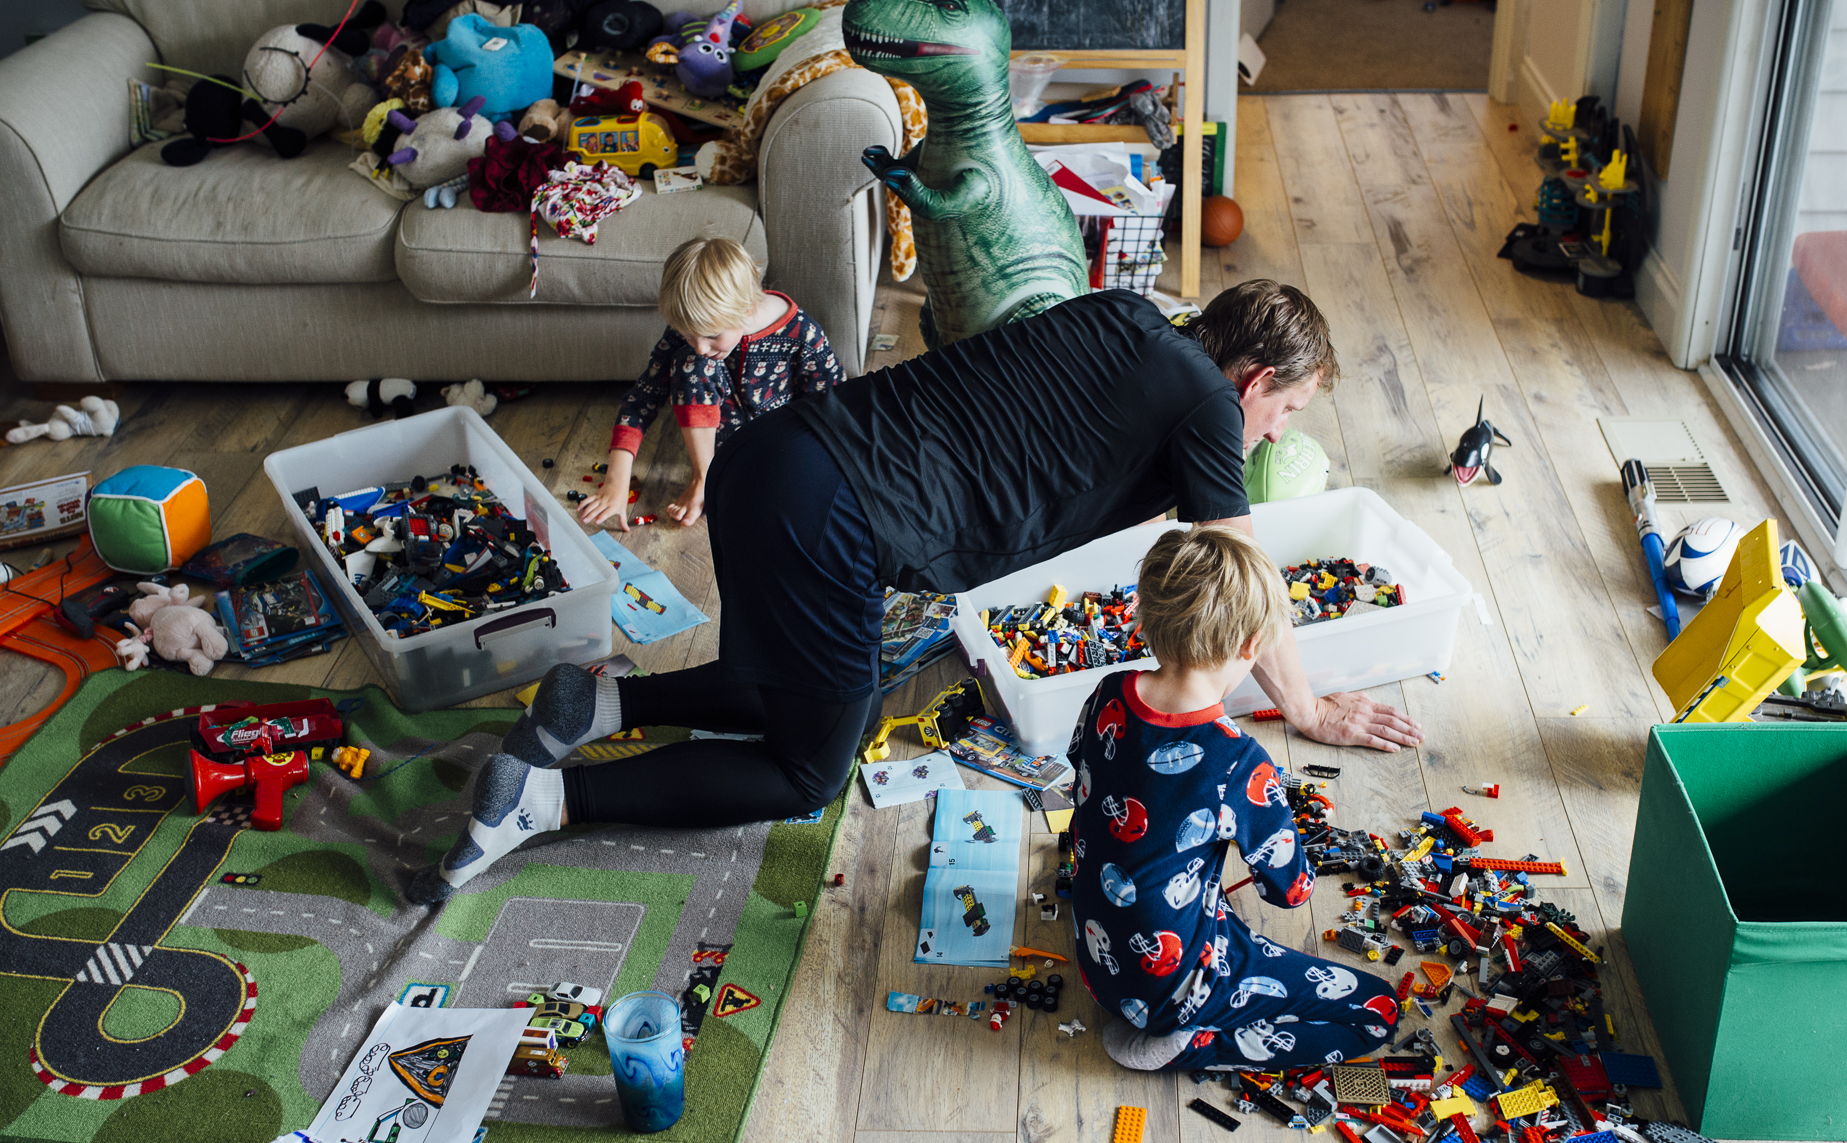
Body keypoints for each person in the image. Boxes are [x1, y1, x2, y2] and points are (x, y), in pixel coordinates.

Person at [406, 279, 1423, 904]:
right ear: (1250, 380)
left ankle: (607, 699)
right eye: (1284, 408)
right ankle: (543, 801)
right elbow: (1241, 582)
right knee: (809, 771)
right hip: (835, 519)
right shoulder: (1209, 405)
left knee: (810, 674)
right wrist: (1310, 706)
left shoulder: (1128, 313)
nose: (1279, 432)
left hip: (775, 461)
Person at [1067, 526, 1402, 1071]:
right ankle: (1191, 1045)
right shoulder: (1238, 761)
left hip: (1096, 955)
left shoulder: (1108, 693)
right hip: (1171, 992)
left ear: (1147, 620)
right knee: (1378, 1010)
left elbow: (1083, 779)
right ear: (1250, 646)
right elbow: (1289, 891)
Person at [579, 236, 842, 531]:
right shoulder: (696, 335)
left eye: (712, 335)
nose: (701, 346)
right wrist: (616, 481)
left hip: (780, 443)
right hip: (721, 451)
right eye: (690, 335)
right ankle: (704, 476)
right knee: (691, 362)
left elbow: (832, 403)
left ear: (746, 307)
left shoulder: (803, 334)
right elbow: (642, 398)